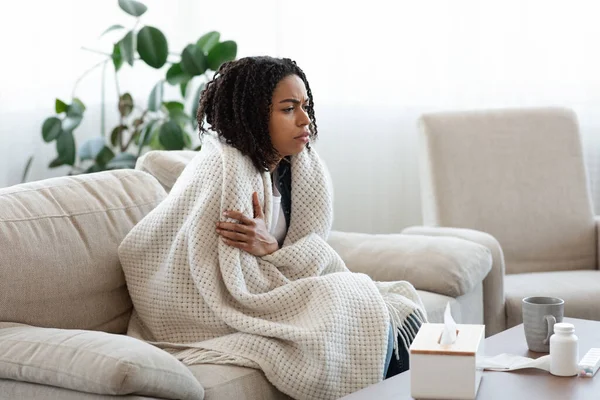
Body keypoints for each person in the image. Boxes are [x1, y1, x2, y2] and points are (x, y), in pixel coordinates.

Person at [118, 56, 426, 400]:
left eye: (305, 106)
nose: (305, 119)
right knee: (350, 297)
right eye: (288, 109)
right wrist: (273, 257)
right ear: (253, 114)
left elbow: (299, 252)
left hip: (277, 281)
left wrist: (273, 250)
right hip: (207, 308)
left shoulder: (302, 168)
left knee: (395, 306)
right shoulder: (224, 170)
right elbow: (220, 277)